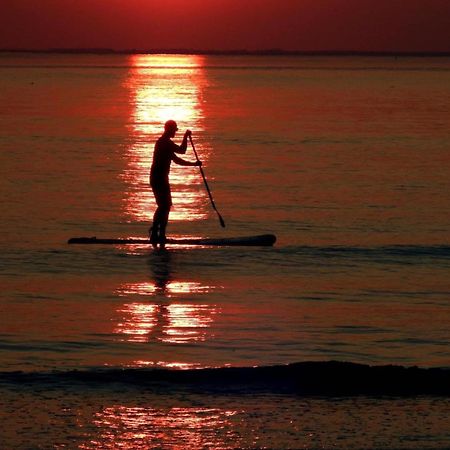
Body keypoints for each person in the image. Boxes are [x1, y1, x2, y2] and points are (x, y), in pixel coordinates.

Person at [149, 120, 201, 246]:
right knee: (164, 206)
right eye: (174, 130)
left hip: (160, 178)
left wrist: (194, 164)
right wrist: (185, 137)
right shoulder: (164, 143)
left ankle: (159, 234)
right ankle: (156, 234)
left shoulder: (165, 143)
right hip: (158, 178)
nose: (174, 133)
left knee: (165, 206)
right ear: (169, 130)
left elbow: (177, 160)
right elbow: (182, 150)